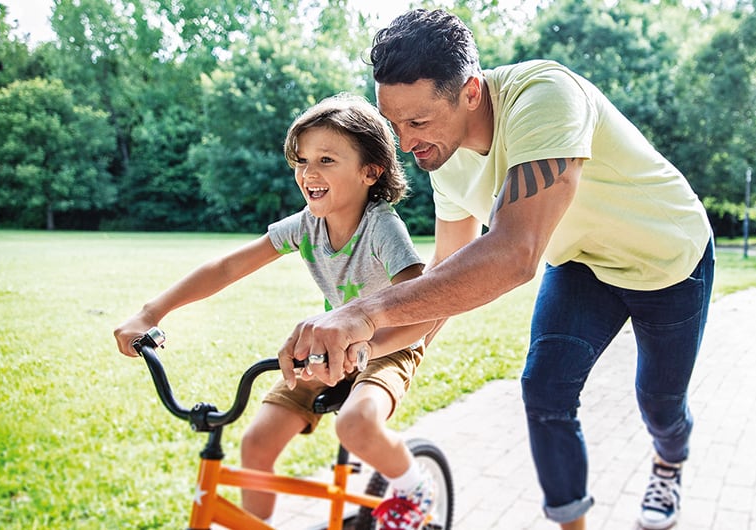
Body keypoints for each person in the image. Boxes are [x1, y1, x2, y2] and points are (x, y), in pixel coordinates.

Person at [277, 9, 715, 530]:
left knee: (659, 403)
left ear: (469, 91)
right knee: (544, 391)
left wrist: (363, 313)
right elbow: (444, 277)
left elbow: (513, 254)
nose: (405, 142)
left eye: (418, 122)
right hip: (582, 263)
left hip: (667, 260)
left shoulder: (545, 96)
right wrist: (362, 349)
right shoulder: (443, 155)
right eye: (394, 124)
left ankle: (669, 460)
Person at [114, 93, 438, 529]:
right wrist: (152, 312)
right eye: (302, 160)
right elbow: (228, 266)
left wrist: (367, 347)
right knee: (256, 443)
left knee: (356, 425)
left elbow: (420, 309)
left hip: (388, 345)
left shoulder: (382, 227)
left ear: (370, 171)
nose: (308, 173)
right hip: (328, 343)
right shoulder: (307, 224)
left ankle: (415, 487)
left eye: (326, 160)